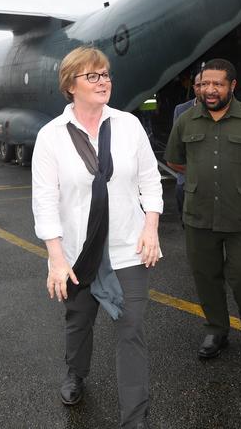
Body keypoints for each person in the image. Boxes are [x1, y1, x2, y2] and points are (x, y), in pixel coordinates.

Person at [31, 46, 163, 428]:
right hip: (77, 253)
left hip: (128, 247)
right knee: (78, 322)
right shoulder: (51, 136)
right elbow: (45, 200)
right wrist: (57, 259)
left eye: (105, 74)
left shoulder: (128, 126)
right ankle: (76, 373)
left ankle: (135, 420)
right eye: (93, 76)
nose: (103, 81)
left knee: (132, 331)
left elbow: (150, 182)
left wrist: (151, 227)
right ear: (71, 85)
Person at [165, 58, 241, 358]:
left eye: (217, 84)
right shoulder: (185, 120)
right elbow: (175, 160)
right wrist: (201, 179)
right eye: (204, 84)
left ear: (232, 86)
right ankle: (216, 330)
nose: (210, 90)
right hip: (198, 214)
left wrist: (240, 179)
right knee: (206, 276)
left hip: (240, 214)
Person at [172, 73, 202, 219]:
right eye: (199, 85)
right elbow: (175, 144)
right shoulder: (181, 110)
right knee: (181, 190)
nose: (203, 89)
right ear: (194, 87)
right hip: (188, 166)